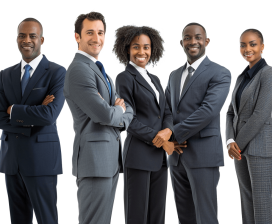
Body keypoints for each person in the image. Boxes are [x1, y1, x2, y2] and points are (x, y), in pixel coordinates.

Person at [0, 18, 65, 224]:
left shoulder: (57, 72)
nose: (27, 40)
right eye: (22, 35)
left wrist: (13, 110)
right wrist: (35, 112)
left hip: (41, 159)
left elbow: (50, 115)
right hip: (11, 159)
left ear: (41, 39)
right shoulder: (6, 75)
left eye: (32, 36)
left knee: (47, 219)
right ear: (17, 39)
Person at [64, 12, 133, 224]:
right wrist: (117, 111)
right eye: (90, 33)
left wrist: (118, 111)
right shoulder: (79, 70)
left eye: (100, 32)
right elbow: (104, 113)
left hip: (108, 161)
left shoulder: (99, 70)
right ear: (77, 36)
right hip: (94, 162)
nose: (97, 38)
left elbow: (128, 108)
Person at [165, 23, 231, 224]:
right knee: (185, 217)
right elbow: (167, 109)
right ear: (181, 42)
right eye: (187, 37)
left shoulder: (220, 73)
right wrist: (169, 137)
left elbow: (208, 111)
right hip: (176, 157)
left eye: (198, 37)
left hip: (203, 156)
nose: (193, 41)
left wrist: (172, 133)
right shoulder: (174, 75)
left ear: (206, 41)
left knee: (206, 217)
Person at [114, 25, 174, 224]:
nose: (142, 52)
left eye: (146, 47)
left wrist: (167, 131)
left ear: (153, 49)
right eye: (136, 47)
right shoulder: (124, 78)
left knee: (157, 216)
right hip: (138, 155)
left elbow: (164, 111)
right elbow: (129, 119)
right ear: (127, 49)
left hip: (159, 159)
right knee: (137, 216)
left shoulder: (155, 79)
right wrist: (160, 140)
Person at [226, 29, 272, 224]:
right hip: (239, 149)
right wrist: (230, 141)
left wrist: (237, 143)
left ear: (262, 47)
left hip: (260, 148)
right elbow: (230, 112)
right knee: (246, 203)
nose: (247, 49)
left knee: (262, 206)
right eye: (243, 45)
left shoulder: (269, 74)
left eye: (252, 44)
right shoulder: (242, 77)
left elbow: (260, 114)